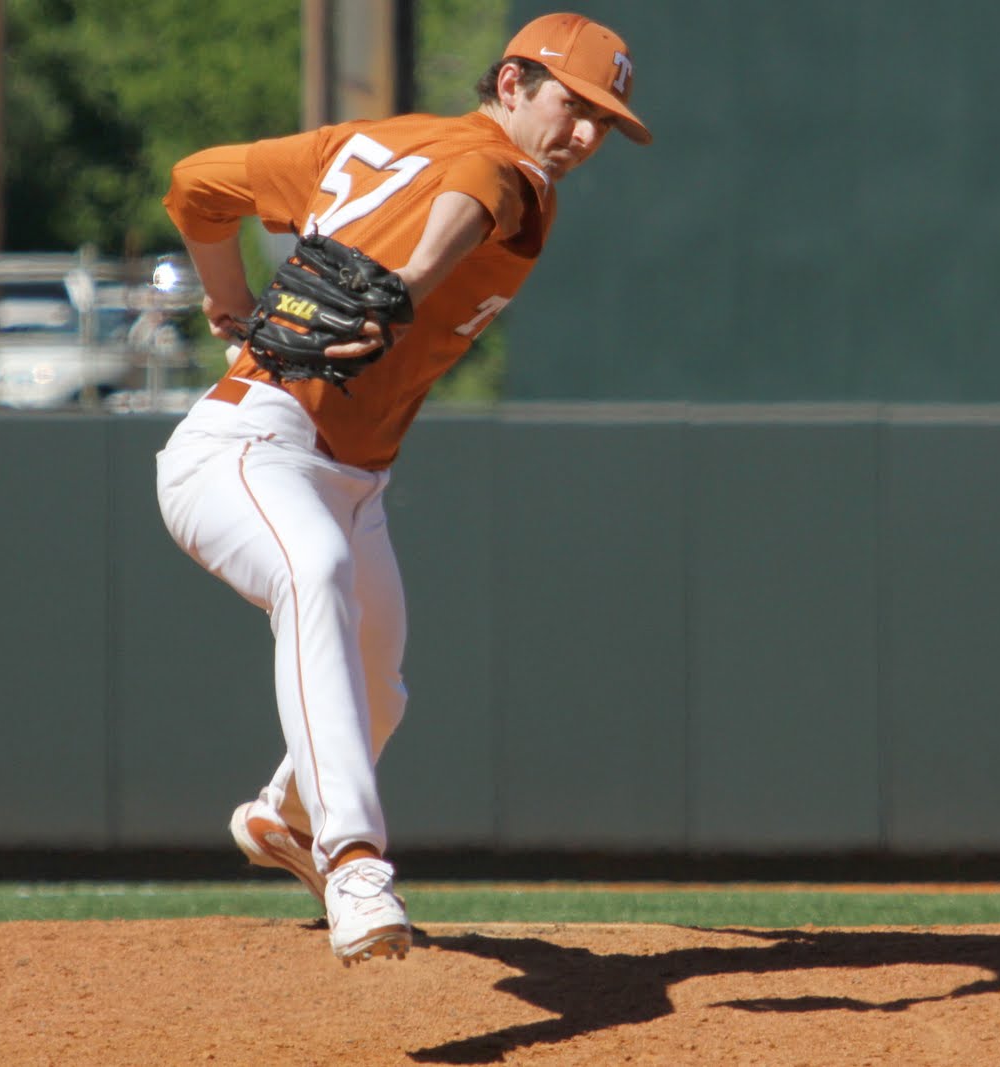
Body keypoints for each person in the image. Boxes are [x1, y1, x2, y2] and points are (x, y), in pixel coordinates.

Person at [154, 12, 650, 965]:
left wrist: (229, 295)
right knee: (315, 569)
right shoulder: (507, 170)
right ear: (510, 84)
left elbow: (193, 187)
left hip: (351, 476)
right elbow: (479, 186)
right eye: (574, 105)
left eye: (606, 122)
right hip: (248, 445)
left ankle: (286, 817)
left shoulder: (367, 145)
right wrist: (411, 282)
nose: (587, 135)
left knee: (377, 691)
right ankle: (353, 861)